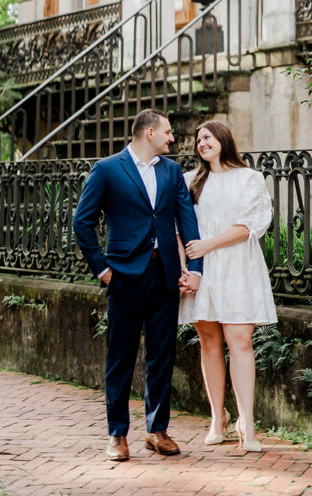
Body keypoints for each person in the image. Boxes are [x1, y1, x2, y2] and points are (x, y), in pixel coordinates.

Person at [73, 109, 203, 462]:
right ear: (149, 133)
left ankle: (157, 431)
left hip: (165, 275)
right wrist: (101, 269)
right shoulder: (108, 169)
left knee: (162, 353)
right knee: (121, 355)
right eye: (168, 132)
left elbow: (186, 220)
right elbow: (82, 222)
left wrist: (196, 268)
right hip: (125, 276)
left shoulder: (172, 171)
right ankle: (117, 435)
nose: (172, 138)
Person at [179, 120, 276, 452]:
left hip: (237, 267)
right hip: (202, 271)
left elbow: (250, 225)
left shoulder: (248, 178)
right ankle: (216, 417)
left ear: (223, 139)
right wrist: (187, 268)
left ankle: (246, 423)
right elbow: (177, 228)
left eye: (207, 136)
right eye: (198, 139)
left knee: (241, 341)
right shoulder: (189, 181)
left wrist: (208, 245)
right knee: (208, 341)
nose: (202, 142)